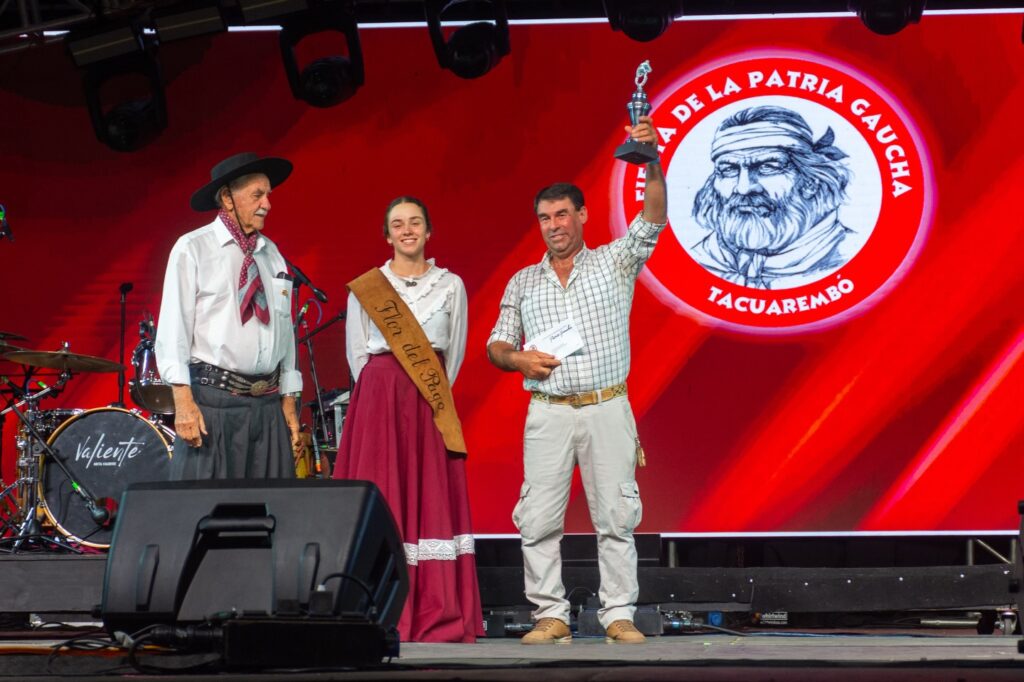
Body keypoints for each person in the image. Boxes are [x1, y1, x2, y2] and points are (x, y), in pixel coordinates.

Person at [486, 116, 667, 645]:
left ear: (582, 215)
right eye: (545, 218)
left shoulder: (614, 262)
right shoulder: (524, 281)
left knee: (616, 517)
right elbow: (497, 344)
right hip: (548, 411)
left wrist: (652, 161)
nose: (553, 225)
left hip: (606, 406)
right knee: (537, 518)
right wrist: (518, 359)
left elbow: (653, 219)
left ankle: (618, 614)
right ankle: (550, 614)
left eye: (562, 214)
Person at [335, 196, 482, 643]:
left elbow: (453, 356)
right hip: (378, 402)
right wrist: (385, 395)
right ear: (387, 235)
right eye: (397, 224)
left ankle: (434, 612)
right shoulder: (367, 287)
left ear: (428, 231)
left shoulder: (451, 285)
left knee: (429, 497)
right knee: (384, 492)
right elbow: (358, 356)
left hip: (428, 404)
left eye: (415, 222)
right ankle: (379, 607)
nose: (407, 230)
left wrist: (426, 397)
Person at [155, 152, 303, 479]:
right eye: (257, 195)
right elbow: (173, 329)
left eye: (268, 195)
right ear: (227, 197)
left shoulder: (272, 254)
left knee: (271, 504)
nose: (267, 204)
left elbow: (284, 331)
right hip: (214, 407)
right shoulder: (193, 248)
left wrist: (289, 398)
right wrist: (183, 402)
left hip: (267, 409)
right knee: (208, 505)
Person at [689, 105, 856, 289]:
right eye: (729, 170)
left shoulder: (851, 256)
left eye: (768, 167)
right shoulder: (702, 260)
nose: (744, 188)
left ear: (811, 182)